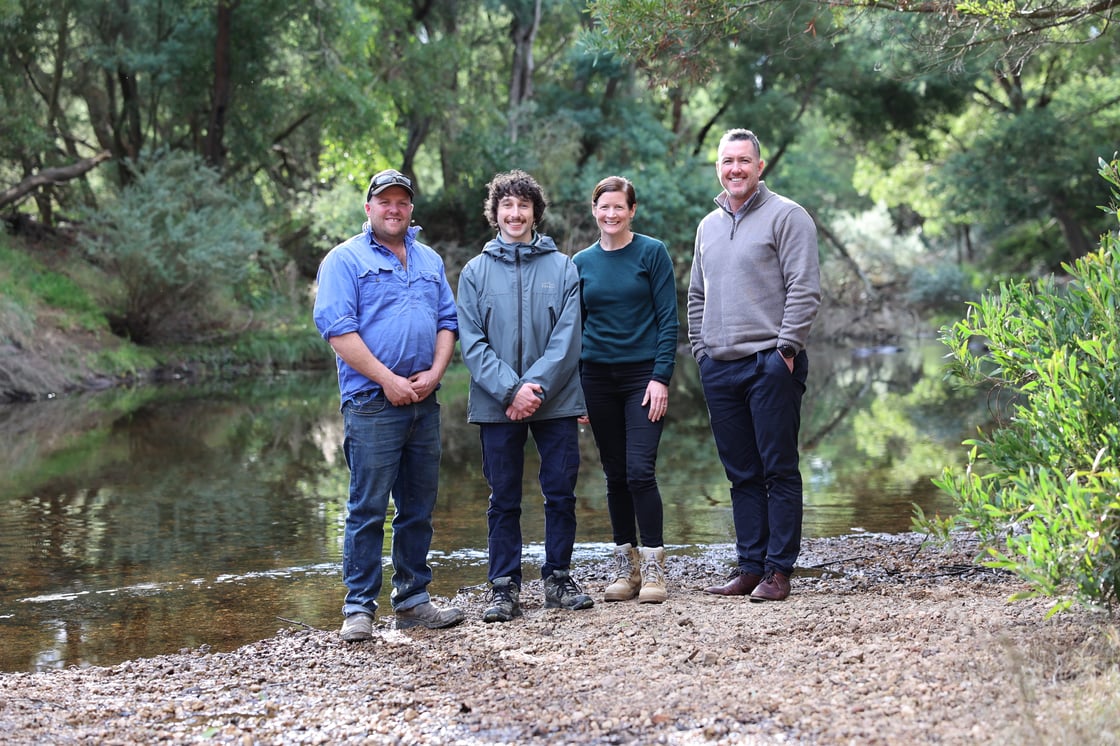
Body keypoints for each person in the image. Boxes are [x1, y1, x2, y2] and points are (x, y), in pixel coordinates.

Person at [313, 169, 465, 642]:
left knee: (418, 507)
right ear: (369, 208)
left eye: (402, 201)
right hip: (372, 403)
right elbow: (338, 330)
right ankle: (359, 608)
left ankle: (413, 601)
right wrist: (388, 380)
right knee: (367, 507)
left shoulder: (430, 260)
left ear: (411, 209)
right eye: (385, 201)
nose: (394, 208)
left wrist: (437, 372)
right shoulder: (344, 260)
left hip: (425, 401)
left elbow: (446, 320)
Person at [688, 129, 821, 602]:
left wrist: (785, 351)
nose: (735, 169)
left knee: (777, 469)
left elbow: (804, 289)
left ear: (759, 167)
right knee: (740, 472)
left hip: (770, 361)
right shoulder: (707, 226)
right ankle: (749, 566)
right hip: (720, 366)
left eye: (744, 161)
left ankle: (778, 571)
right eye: (728, 161)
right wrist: (701, 353)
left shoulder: (788, 216)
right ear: (718, 167)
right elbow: (696, 296)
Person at [456, 169, 594, 623]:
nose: (515, 214)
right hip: (497, 404)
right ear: (495, 214)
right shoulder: (475, 272)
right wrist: (510, 390)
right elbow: (472, 343)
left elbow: (568, 338)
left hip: (554, 401)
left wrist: (532, 389)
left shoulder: (564, 267)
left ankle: (557, 577)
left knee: (560, 493)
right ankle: (504, 587)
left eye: (523, 206)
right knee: (503, 498)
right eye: (507, 206)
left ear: (536, 212)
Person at [572, 176, 678, 604]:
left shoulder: (652, 253)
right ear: (594, 211)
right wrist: (575, 388)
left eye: (619, 207)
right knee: (614, 474)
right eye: (604, 207)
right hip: (596, 377)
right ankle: (625, 566)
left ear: (632, 210)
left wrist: (661, 377)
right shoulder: (580, 262)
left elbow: (668, 320)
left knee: (639, 471)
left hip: (642, 377)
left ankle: (654, 568)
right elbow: (573, 328)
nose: (611, 214)